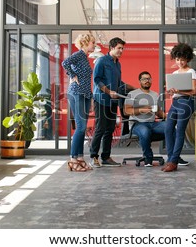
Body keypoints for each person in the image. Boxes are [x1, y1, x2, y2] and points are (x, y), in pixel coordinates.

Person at [90, 37, 136, 167]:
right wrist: (109, 91)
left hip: (113, 102)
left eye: (122, 48)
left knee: (110, 129)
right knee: (100, 128)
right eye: (119, 48)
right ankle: (94, 156)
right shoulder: (101, 61)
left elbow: (118, 83)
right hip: (101, 99)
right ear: (111, 48)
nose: (121, 50)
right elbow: (97, 80)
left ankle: (106, 157)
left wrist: (133, 87)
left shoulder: (118, 64)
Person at [61, 33, 96, 172]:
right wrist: (72, 75)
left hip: (86, 94)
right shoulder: (79, 54)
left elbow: (87, 80)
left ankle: (80, 158)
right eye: (93, 42)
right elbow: (65, 63)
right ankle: (73, 159)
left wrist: (91, 98)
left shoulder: (85, 58)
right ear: (86, 43)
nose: (94, 45)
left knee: (82, 128)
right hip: (76, 93)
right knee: (81, 127)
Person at [162, 43, 196, 172]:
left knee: (179, 131)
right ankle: (171, 158)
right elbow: (173, 92)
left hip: (186, 102)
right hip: (175, 102)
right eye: (177, 59)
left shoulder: (191, 72)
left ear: (187, 58)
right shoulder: (175, 73)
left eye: (182, 59)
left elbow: (194, 92)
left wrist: (180, 91)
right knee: (168, 128)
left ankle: (173, 161)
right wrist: (171, 91)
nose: (180, 62)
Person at [124, 71, 166, 167]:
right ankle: (148, 158)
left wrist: (170, 118)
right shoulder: (132, 94)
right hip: (137, 123)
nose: (147, 81)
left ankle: (174, 158)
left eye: (149, 79)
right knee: (145, 131)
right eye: (144, 79)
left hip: (153, 123)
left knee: (170, 127)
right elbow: (126, 111)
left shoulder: (155, 95)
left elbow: (158, 112)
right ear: (140, 81)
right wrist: (142, 110)